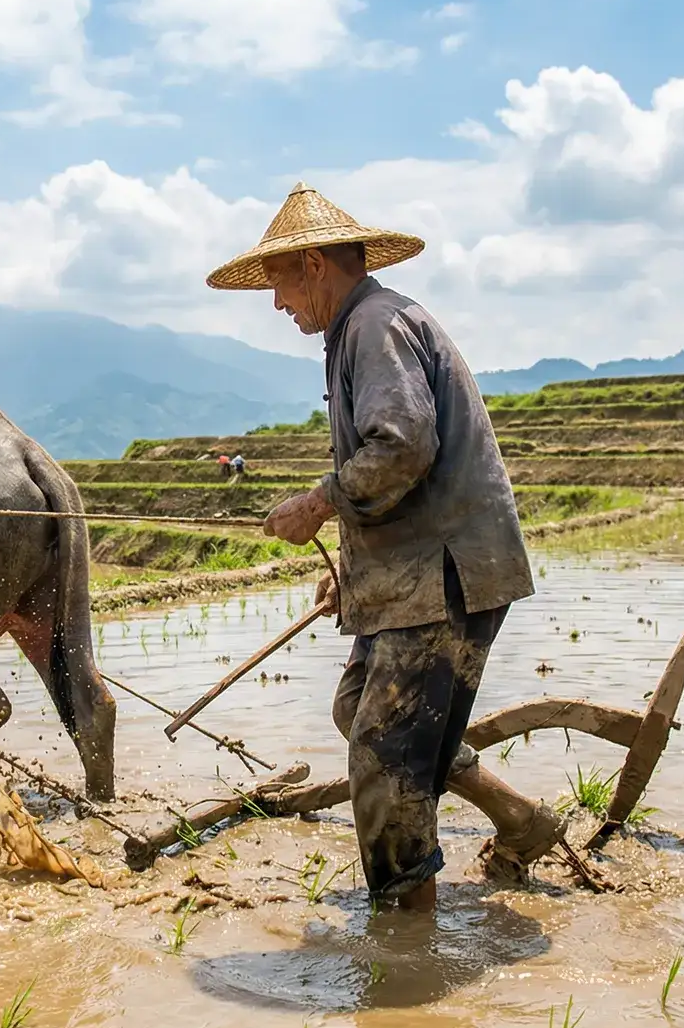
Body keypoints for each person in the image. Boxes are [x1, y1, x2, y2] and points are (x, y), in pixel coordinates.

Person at [206, 182, 566, 913]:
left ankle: (406, 937)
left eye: (277, 282)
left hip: (445, 578)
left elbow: (401, 446)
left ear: (312, 265)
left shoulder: (373, 325)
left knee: (384, 755)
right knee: (357, 710)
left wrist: (318, 502)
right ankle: (520, 819)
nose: (277, 304)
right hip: (417, 574)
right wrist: (356, 569)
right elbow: (396, 463)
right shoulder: (362, 326)